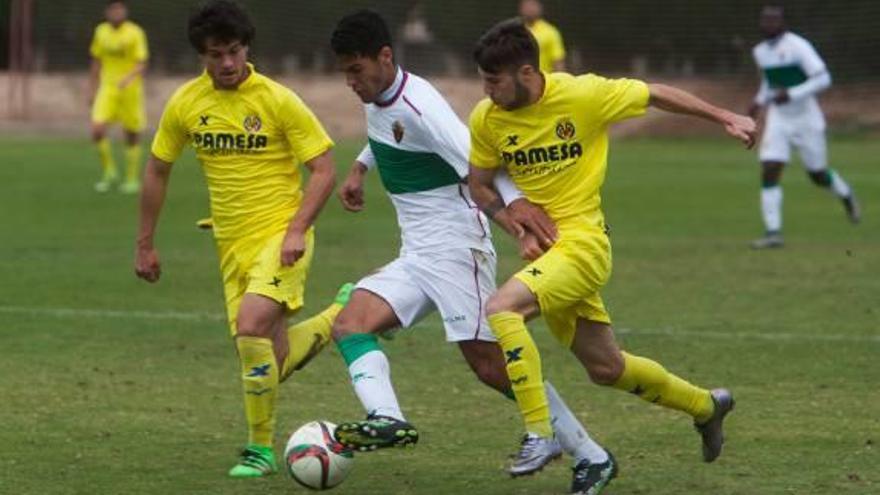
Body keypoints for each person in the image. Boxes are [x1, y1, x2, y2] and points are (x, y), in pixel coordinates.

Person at [327, 11, 616, 494]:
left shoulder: (422, 106)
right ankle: (386, 418)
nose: (350, 82)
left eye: (356, 70)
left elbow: (476, 162)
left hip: (458, 247)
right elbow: (386, 130)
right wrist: (359, 167)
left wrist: (515, 215)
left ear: (384, 57)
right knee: (350, 324)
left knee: (491, 366)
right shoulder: (378, 94)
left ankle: (591, 455)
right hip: (419, 252)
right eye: (344, 72)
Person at [467, 19, 754, 479]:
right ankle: (706, 405)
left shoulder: (582, 96)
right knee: (607, 368)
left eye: (493, 81)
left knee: (501, 310)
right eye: (483, 80)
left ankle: (540, 434)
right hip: (547, 257)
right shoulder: (487, 118)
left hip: (584, 244)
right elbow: (478, 185)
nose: (486, 91)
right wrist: (514, 221)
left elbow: (655, 92)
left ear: (526, 72)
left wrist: (726, 117)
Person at [134, 0, 350, 478]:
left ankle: (260, 450)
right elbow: (156, 169)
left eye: (233, 51)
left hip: (281, 236)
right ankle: (338, 318)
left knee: (251, 326)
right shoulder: (187, 103)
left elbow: (323, 169)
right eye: (216, 54)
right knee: (266, 356)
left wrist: (296, 229)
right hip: (229, 242)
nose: (227, 63)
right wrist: (145, 242)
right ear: (202, 56)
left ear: (246, 48)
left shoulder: (277, 99)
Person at [747, 5, 860, 249]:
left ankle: (846, 194)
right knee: (769, 168)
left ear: (783, 23)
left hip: (807, 119)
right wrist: (758, 101)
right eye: (765, 20)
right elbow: (770, 83)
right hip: (779, 119)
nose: (768, 24)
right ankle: (773, 232)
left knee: (817, 174)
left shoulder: (798, 46)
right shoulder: (760, 52)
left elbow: (823, 78)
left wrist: (793, 93)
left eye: (773, 20)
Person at [88, 0, 148, 193]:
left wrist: (128, 78)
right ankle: (110, 171)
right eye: (113, 9)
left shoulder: (135, 32)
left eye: (120, 8)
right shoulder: (101, 31)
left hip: (130, 89)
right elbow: (96, 61)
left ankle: (131, 179)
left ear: (125, 11)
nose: (116, 12)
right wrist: (91, 89)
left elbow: (141, 62)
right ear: (107, 11)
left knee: (131, 134)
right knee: (97, 129)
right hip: (107, 88)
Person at [519, 0, 566, 73]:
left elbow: (558, 62)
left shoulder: (550, 32)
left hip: (544, 81)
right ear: (521, 8)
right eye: (526, 5)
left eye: (533, 5)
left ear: (539, 8)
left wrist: (559, 81)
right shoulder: (514, 31)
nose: (530, 9)